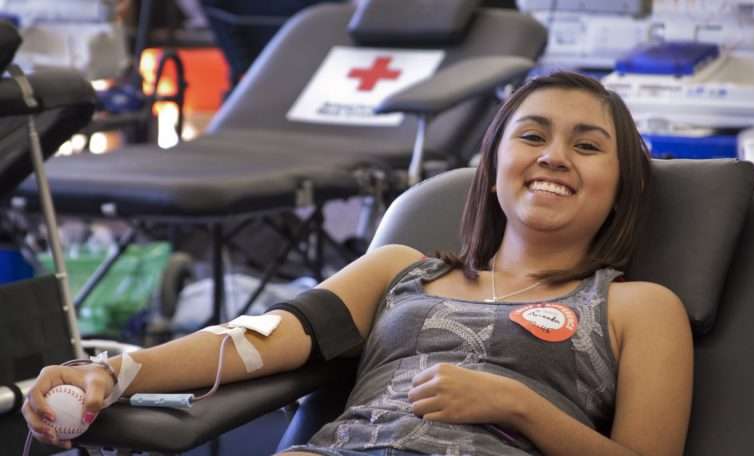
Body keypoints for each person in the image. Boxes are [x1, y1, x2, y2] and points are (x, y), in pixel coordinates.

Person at [22, 72, 693, 456]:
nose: (553, 156)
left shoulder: (639, 308)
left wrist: (517, 406)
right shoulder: (402, 271)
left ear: (622, 185)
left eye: (587, 145)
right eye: (532, 135)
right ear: (490, 172)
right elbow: (254, 342)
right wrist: (111, 373)